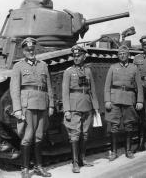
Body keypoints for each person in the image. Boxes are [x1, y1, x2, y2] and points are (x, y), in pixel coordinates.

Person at [10, 37, 54, 178]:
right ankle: (24, 169)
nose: (31, 52)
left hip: (42, 103)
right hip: (27, 105)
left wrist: (51, 104)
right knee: (27, 137)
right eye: (28, 50)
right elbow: (14, 89)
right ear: (23, 51)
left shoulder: (43, 65)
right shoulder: (18, 66)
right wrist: (17, 109)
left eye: (32, 49)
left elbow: (49, 87)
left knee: (39, 136)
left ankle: (38, 167)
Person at [62, 45, 99, 173]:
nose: (76, 58)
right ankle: (75, 162)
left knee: (85, 133)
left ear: (84, 56)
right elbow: (65, 92)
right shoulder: (68, 71)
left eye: (78, 56)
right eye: (74, 56)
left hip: (87, 105)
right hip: (74, 106)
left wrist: (96, 107)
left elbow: (92, 90)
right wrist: (66, 110)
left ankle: (83, 158)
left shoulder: (88, 71)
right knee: (75, 135)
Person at [104, 45, 143, 161]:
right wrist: (107, 100)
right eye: (120, 54)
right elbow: (107, 86)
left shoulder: (134, 68)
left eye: (124, 54)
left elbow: (139, 87)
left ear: (128, 55)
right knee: (114, 126)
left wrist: (140, 100)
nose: (122, 56)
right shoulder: (113, 67)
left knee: (129, 125)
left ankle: (128, 150)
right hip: (115, 99)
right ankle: (114, 152)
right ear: (118, 55)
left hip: (129, 98)